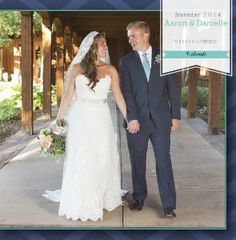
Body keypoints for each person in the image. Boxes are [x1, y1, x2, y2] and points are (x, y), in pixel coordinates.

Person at [46, 31, 127, 221]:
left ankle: (100, 196)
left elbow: (118, 97)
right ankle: (81, 201)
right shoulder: (76, 68)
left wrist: (129, 118)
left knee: (101, 156)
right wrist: (58, 120)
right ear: (92, 47)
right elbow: (67, 97)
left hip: (101, 117)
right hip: (80, 117)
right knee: (81, 156)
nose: (106, 47)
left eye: (105, 44)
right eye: (102, 44)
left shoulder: (111, 70)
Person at [119, 21, 180, 218]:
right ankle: (138, 198)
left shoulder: (165, 57)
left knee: (164, 161)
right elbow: (126, 92)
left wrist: (175, 115)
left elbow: (173, 88)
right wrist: (132, 118)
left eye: (133, 36)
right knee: (137, 161)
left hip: (161, 120)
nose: (130, 40)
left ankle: (169, 205)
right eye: (128, 36)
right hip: (137, 122)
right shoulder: (126, 61)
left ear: (146, 35)